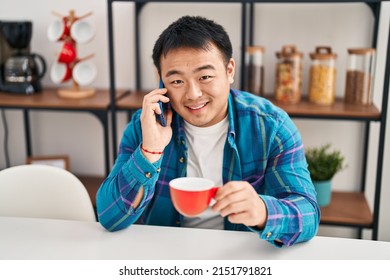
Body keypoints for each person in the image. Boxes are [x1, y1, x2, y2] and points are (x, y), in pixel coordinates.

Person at [96, 15, 320, 247]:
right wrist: (150, 151)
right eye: (176, 82)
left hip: (238, 257)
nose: (193, 94)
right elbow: (109, 217)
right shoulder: (146, 124)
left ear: (229, 70)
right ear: (161, 81)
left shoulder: (271, 126)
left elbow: (308, 215)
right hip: (164, 255)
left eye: (205, 77)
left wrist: (263, 211)